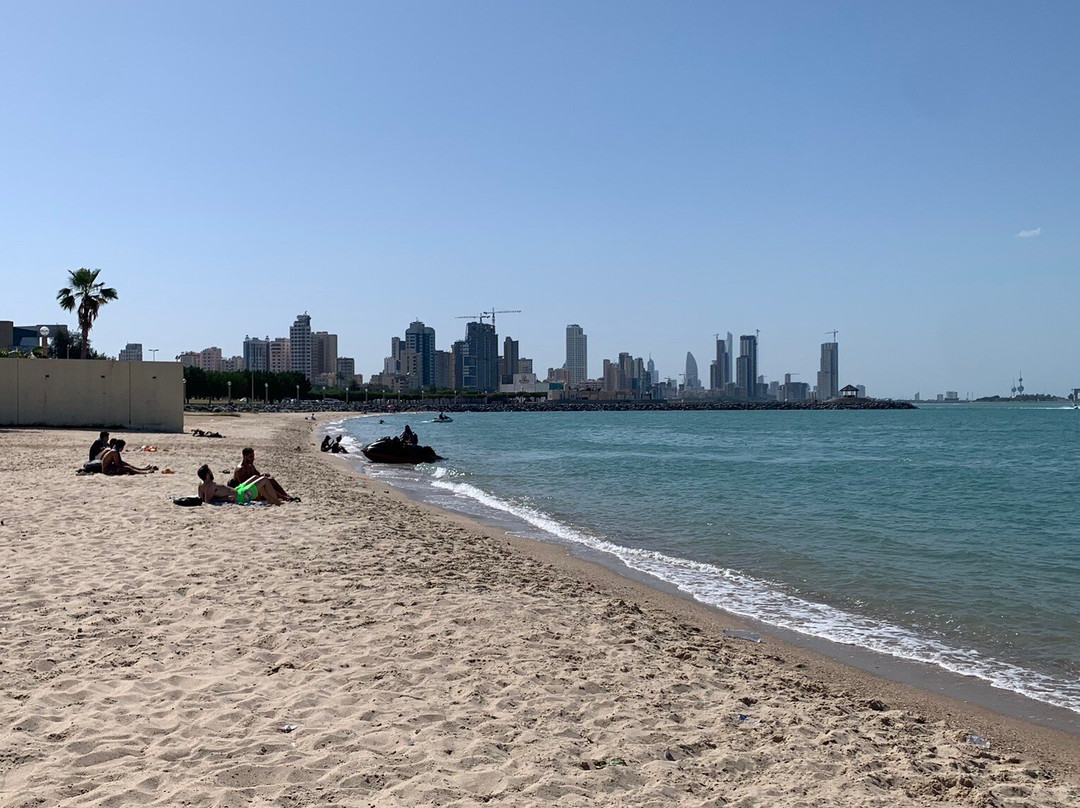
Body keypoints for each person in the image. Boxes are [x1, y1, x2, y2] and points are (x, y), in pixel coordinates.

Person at [230, 447, 296, 501]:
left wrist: (263, 475)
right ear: (245, 456)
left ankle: (286, 495)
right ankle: (284, 497)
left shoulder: (250, 465)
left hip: (254, 487)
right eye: (250, 457)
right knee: (265, 483)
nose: (252, 459)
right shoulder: (241, 469)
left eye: (253, 457)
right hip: (247, 491)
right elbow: (244, 484)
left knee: (270, 479)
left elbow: (257, 475)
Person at [198, 465, 281, 505]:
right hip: (241, 497)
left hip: (238, 490)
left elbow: (201, 499)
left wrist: (223, 498)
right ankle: (276, 501)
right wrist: (225, 499)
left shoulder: (201, 485)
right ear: (207, 475)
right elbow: (207, 502)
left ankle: (270, 499)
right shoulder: (210, 486)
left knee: (256, 477)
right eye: (210, 471)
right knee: (264, 480)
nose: (211, 472)